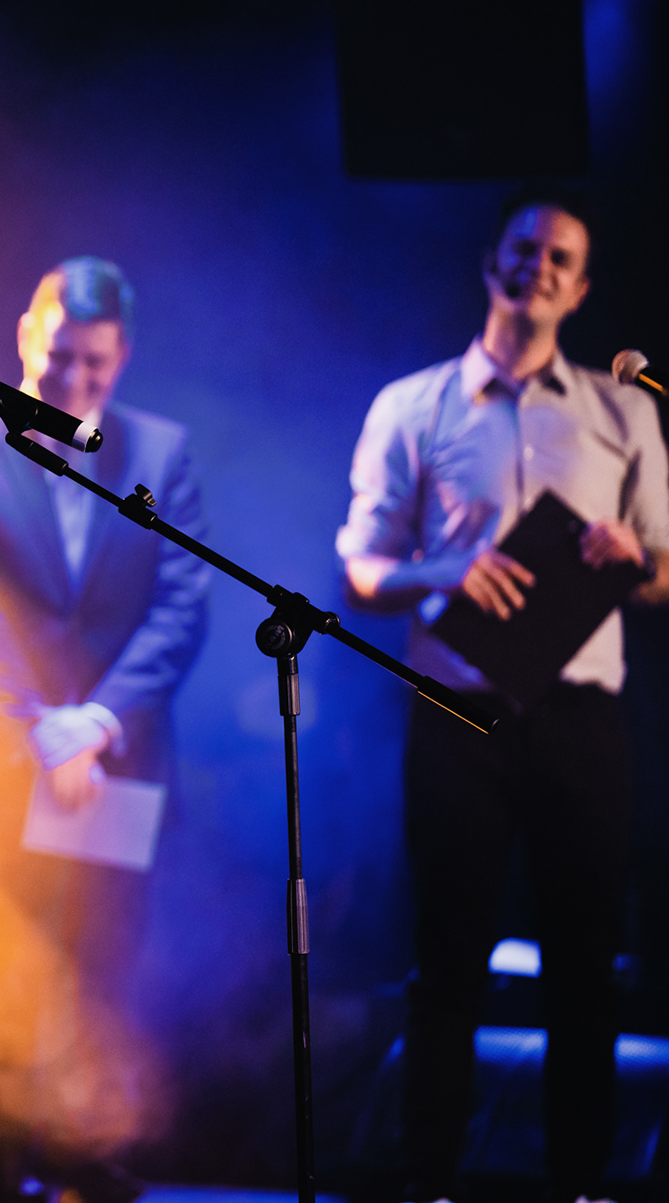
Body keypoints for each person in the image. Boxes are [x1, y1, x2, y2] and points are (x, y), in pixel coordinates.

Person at [336, 190, 669, 1203]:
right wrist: (447, 569)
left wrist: (631, 554)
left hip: (580, 717)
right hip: (458, 711)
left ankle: (581, 1184)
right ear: (493, 264)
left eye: (562, 257)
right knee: (447, 957)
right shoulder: (413, 404)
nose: (540, 267)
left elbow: (663, 573)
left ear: (583, 286)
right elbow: (360, 567)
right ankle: (430, 1178)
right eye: (526, 249)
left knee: (584, 964)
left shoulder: (625, 410)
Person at [0, 257, 209, 1195]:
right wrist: (36, 732)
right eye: (59, 359)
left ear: (122, 358)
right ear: (25, 338)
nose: (74, 380)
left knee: (102, 972)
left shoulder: (163, 450)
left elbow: (181, 604)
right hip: (5, 763)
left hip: (115, 762)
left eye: (95, 363)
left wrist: (97, 723)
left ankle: (90, 1159)